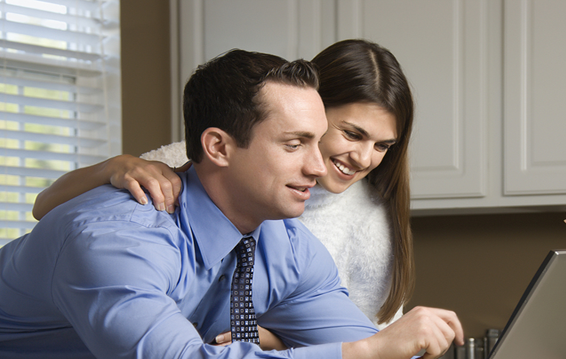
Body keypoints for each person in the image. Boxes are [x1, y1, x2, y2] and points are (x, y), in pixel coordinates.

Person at [0, 49, 473, 359]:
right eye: (294, 144)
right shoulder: (118, 237)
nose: (316, 165)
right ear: (219, 146)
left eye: (316, 140)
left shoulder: (286, 247)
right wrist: (370, 347)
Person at [34, 39, 414, 329]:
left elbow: (370, 338)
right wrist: (116, 167)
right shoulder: (193, 164)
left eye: (382, 145)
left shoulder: (367, 219)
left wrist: (280, 338)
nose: (365, 159)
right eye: (351, 134)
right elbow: (46, 207)